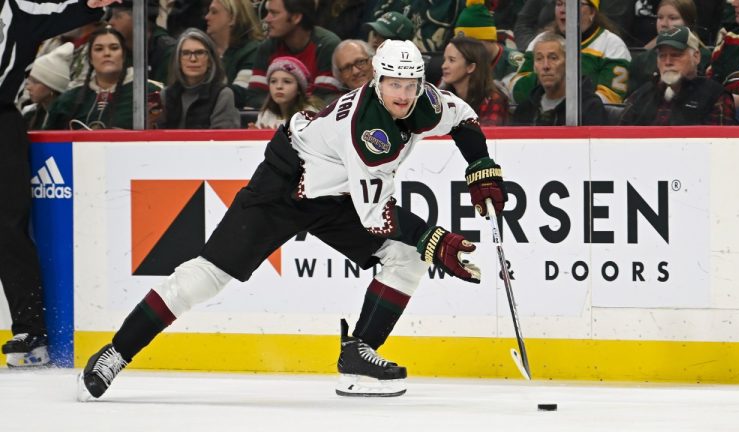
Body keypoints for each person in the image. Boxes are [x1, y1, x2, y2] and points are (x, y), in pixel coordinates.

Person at [76, 39, 507, 400]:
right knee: (204, 277)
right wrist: (432, 236)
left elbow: (465, 119)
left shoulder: (426, 102)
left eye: (410, 84)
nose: (402, 94)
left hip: (335, 195)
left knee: (407, 259)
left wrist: (481, 166)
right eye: (393, 83)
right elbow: (375, 215)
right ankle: (116, 352)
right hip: (285, 186)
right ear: (377, 80)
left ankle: (358, 357)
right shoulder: (366, 132)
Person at [0, 0, 119, 368]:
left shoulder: (16, 10)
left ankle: (30, 330)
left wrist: (88, 4)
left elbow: (65, 12)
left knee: (6, 228)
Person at [506, 0, 632, 105]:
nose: (563, 10)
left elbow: (609, 101)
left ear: (592, 12)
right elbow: (515, 90)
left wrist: (559, 91)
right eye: (559, 3)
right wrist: (547, 79)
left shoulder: (612, 45)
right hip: (539, 119)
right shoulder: (540, 41)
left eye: (574, 4)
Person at [45, 26, 163, 130]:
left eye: (114, 48)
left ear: (124, 55)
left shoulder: (151, 92)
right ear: (90, 58)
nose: (107, 53)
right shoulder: (68, 100)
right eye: (99, 49)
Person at [620, 26, 735, 125]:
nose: (668, 62)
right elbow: (617, 142)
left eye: (676, 55)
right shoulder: (641, 95)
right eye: (662, 56)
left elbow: (717, 147)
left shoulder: (716, 96)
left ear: (696, 57)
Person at [247, 0, 342, 108]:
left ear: (296, 17)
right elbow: (255, 97)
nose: (267, 19)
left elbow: (324, 100)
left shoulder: (326, 46)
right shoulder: (267, 47)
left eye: (274, 13)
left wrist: (283, 104)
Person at [511, 32, 606, 125]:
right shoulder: (525, 110)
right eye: (539, 59)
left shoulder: (589, 107)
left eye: (553, 58)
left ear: (568, 63)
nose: (546, 66)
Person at [155, 29, 240, 129]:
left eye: (199, 53)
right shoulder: (166, 95)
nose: (193, 59)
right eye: (186, 53)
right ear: (178, 60)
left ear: (210, 60)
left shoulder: (222, 95)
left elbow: (221, 140)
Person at [627, 0, 712, 96]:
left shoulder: (705, 57)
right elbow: (630, 101)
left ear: (688, 22)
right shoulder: (641, 60)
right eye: (660, 17)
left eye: (672, 18)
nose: (664, 24)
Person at [205, 0, 263, 109]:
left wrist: (199, 88)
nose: (207, 17)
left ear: (232, 18)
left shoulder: (253, 51)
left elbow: (239, 95)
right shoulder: (205, 50)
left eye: (214, 12)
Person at [441, 36, 511, 126]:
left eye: (451, 60)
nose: (444, 66)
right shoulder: (441, 98)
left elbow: (485, 136)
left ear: (470, 67)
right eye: (444, 60)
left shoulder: (492, 99)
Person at [107, 0, 177, 85]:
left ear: (139, 18)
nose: (111, 22)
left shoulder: (168, 52)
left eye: (118, 16)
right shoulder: (113, 49)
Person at [452, 0, 523, 82]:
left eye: (471, 45)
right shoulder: (462, 61)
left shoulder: (515, 63)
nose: (466, 50)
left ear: (489, 39)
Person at [251, 56, 323, 128]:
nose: (279, 86)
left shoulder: (308, 114)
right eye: (273, 81)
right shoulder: (266, 114)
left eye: (287, 81)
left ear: (299, 89)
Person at [22, 43, 75, 130]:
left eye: (35, 82)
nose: (28, 87)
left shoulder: (69, 118)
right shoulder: (29, 115)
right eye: (30, 80)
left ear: (52, 87)